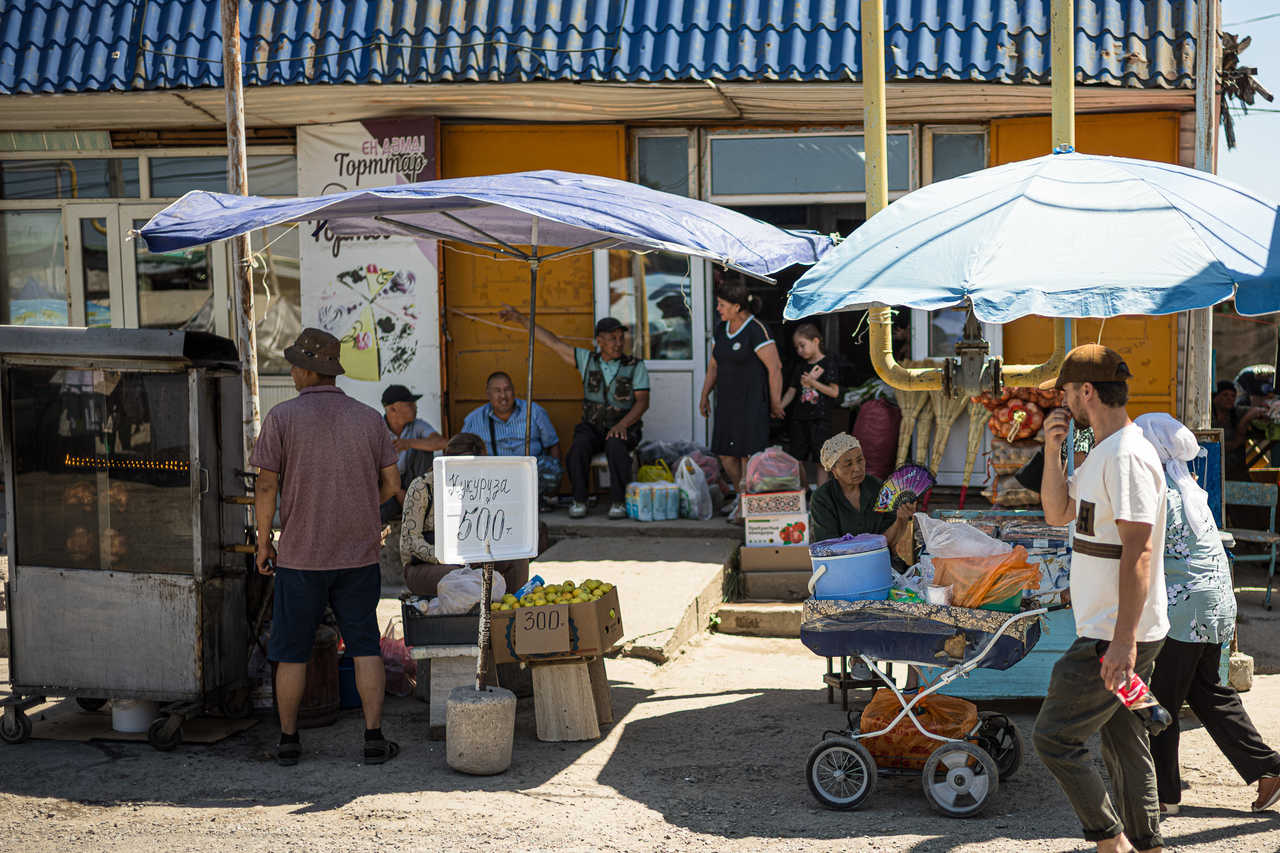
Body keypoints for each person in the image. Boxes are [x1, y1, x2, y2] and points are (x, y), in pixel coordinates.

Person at [1034, 343, 1169, 853]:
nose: (1063, 400)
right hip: (1109, 628)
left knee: (1053, 737)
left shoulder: (1129, 455)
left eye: (1067, 391)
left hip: (1111, 633)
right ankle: (1146, 843)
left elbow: (1139, 550)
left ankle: (1108, 841)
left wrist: (1123, 643)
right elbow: (1057, 512)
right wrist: (1052, 450)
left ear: (1087, 391)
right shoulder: (1102, 450)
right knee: (1123, 741)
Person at [252, 328, 401, 767]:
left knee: (291, 651)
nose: (292, 369)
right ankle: (374, 738)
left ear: (304, 369)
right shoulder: (369, 418)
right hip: (358, 554)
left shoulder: (282, 418)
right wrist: (358, 502)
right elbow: (392, 485)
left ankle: (288, 742)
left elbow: (265, 485)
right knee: (364, 644)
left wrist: (264, 542)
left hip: (301, 557)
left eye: (295, 363)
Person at [1135, 413, 1280, 815]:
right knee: (1207, 692)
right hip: (1216, 604)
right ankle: (1268, 768)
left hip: (1186, 612)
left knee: (1159, 701)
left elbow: (1141, 553)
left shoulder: (1158, 491)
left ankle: (1164, 796)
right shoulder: (1189, 486)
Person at [500, 306, 650, 520]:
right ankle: (579, 500)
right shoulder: (586, 360)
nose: (618, 343)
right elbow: (552, 342)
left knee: (616, 445)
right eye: (612, 339)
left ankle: (618, 501)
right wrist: (521, 319)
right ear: (599, 341)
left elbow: (642, 402)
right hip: (593, 426)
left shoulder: (636, 366)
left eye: (620, 338)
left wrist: (623, 425)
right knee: (578, 447)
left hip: (624, 426)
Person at [399, 432, 531, 597]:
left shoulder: (484, 485)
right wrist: (448, 558)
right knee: (461, 578)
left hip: (472, 558)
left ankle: (509, 612)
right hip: (428, 564)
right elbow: (410, 541)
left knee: (518, 560)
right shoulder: (423, 487)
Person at [699, 278, 784, 494]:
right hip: (727, 403)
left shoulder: (756, 329)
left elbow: (775, 368)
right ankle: (741, 497)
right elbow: (713, 365)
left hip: (752, 403)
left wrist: (775, 403)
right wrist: (704, 394)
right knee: (725, 455)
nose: (718, 309)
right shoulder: (721, 329)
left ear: (737, 307)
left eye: (722, 305)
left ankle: (746, 506)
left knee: (748, 455)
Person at [460, 371, 563, 502]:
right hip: (493, 478)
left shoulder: (534, 412)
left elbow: (553, 444)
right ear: (488, 394)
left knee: (551, 468)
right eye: (497, 390)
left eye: (507, 389)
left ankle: (543, 501)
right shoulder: (474, 419)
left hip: (531, 475)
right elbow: (461, 451)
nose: (503, 396)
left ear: (514, 391)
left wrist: (555, 483)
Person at [809, 434, 915, 560]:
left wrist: (900, 520)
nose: (857, 468)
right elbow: (829, 548)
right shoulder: (822, 498)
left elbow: (887, 543)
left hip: (877, 561)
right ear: (834, 470)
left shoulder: (879, 488)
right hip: (840, 565)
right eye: (848, 464)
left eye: (860, 460)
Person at [780, 323, 840, 487]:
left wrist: (813, 383)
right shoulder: (800, 366)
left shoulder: (828, 363)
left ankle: (819, 497)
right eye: (797, 347)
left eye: (802, 345)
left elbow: (834, 392)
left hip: (820, 419)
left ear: (815, 341)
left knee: (820, 460)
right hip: (800, 418)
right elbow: (792, 391)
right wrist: (779, 406)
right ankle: (805, 489)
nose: (800, 350)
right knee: (796, 458)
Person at [380, 384, 446, 524]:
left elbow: (441, 443)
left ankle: (421, 501)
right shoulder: (377, 428)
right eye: (409, 404)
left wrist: (408, 443)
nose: (415, 407)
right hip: (388, 486)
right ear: (392, 409)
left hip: (412, 483)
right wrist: (398, 492)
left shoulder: (417, 425)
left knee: (425, 449)